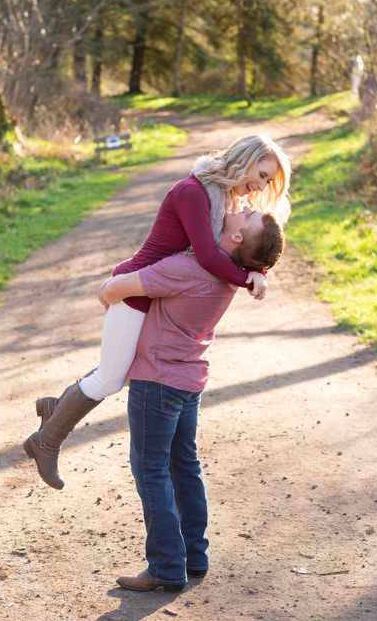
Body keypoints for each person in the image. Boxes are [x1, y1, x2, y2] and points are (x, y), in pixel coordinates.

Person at [23, 134, 292, 489]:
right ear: (242, 161)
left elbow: (246, 245)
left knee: (125, 369)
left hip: (157, 292)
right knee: (110, 378)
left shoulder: (224, 200)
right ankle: (45, 441)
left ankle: (55, 408)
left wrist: (261, 269)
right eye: (261, 174)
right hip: (136, 289)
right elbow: (210, 258)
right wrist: (249, 278)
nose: (261, 185)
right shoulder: (194, 192)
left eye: (267, 181)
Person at [97, 207, 285, 590]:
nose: (243, 208)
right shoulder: (227, 276)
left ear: (236, 238)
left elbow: (115, 288)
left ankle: (166, 566)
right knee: (184, 464)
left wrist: (108, 291)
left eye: (248, 216)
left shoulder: (186, 270)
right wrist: (256, 272)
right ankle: (194, 557)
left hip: (157, 380)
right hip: (188, 380)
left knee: (151, 470)